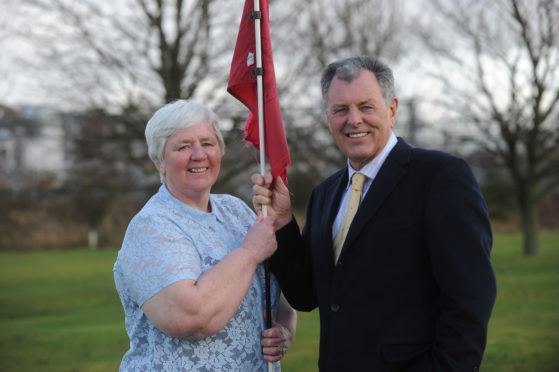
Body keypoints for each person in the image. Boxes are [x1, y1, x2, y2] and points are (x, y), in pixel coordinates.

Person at [252, 56, 497, 371]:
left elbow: (470, 298)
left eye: (366, 106)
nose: (353, 120)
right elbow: (306, 294)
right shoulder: (323, 194)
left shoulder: (440, 177)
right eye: (341, 109)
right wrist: (283, 221)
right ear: (328, 117)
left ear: (392, 110)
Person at [114, 99, 296, 371]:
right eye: (184, 146)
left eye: (207, 143)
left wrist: (284, 330)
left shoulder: (237, 211)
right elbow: (190, 318)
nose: (199, 154)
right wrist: (249, 253)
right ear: (159, 162)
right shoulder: (152, 226)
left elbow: (280, 292)